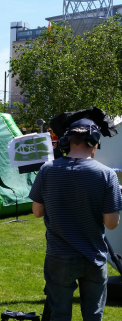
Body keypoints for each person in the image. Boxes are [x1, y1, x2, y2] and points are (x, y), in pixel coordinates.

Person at [29, 118, 122, 320]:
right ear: (95, 141)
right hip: (94, 257)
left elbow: (37, 211)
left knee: (59, 315)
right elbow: (111, 224)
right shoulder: (107, 175)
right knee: (93, 315)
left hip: (59, 256)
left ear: (66, 141)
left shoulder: (47, 169)